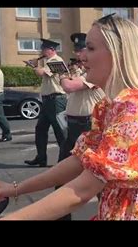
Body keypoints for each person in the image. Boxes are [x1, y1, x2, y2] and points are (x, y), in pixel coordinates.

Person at [0, 14, 138, 220]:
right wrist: (16, 189)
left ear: (119, 54)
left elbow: (84, 189)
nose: (82, 55)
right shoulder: (111, 106)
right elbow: (78, 162)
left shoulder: (135, 107)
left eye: (91, 48)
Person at [55, 33, 106, 220]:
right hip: (74, 128)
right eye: (77, 51)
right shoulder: (82, 73)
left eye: (85, 50)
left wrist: (61, 77)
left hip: (89, 128)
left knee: (98, 178)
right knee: (62, 176)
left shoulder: (94, 75)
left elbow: (69, 87)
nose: (79, 55)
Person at [24, 39, 67, 167]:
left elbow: (40, 73)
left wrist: (34, 65)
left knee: (59, 131)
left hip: (56, 100)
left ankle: (65, 159)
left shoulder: (55, 61)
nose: (42, 51)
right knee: (40, 129)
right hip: (48, 100)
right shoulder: (49, 61)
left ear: (52, 50)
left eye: (44, 49)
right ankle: (41, 158)